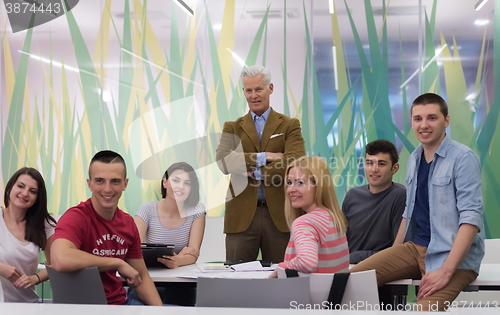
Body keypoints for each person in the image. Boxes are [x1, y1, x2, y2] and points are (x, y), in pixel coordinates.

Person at [350, 93, 485, 311]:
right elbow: (408, 212)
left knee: (418, 311)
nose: (424, 125)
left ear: (446, 121)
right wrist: (392, 255)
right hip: (415, 248)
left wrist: (446, 271)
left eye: (432, 118)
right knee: (348, 283)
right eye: (418, 119)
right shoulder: (414, 158)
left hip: (453, 258)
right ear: (412, 122)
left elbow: (471, 218)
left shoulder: (463, 158)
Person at [216, 65, 306, 263]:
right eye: (249, 90)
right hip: (241, 216)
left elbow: (295, 161)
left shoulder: (290, 125)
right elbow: (223, 161)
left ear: (270, 88)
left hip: (281, 217)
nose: (253, 95)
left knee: (283, 279)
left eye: (259, 89)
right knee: (236, 281)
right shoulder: (232, 127)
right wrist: (266, 156)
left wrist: (253, 171)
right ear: (243, 92)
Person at [51, 150, 162, 305]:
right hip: (84, 309)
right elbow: (60, 259)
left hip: (120, 304)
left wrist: (160, 311)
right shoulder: (76, 217)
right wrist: (117, 262)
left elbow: (141, 276)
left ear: (125, 184)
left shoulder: (127, 223)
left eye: (115, 181)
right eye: (100, 181)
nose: (107, 189)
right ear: (89, 184)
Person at [269, 156, 350, 277]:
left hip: (308, 295)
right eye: (289, 183)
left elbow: (307, 262)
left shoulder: (305, 223)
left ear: (319, 186)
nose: (290, 189)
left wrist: (281, 268)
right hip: (332, 295)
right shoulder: (334, 217)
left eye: (300, 183)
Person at [342, 139, 406, 264]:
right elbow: (340, 242)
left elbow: (398, 250)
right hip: (348, 270)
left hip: (383, 272)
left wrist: (354, 257)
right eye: (369, 163)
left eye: (381, 164)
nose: (374, 169)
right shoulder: (352, 195)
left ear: (395, 168)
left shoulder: (401, 196)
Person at [0, 167, 56, 302]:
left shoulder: (44, 224)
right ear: (10, 188)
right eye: (20, 186)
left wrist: (35, 278)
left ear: (37, 198)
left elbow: (56, 265)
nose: (25, 193)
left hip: (28, 305)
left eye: (32, 191)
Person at [135, 162, 206, 268]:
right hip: (150, 272)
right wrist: (181, 256)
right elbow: (135, 250)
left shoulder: (197, 210)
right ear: (165, 183)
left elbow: (194, 253)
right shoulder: (146, 210)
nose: (181, 186)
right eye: (176, 181)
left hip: (181, 276)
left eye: (187, 183)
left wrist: (178, 261)